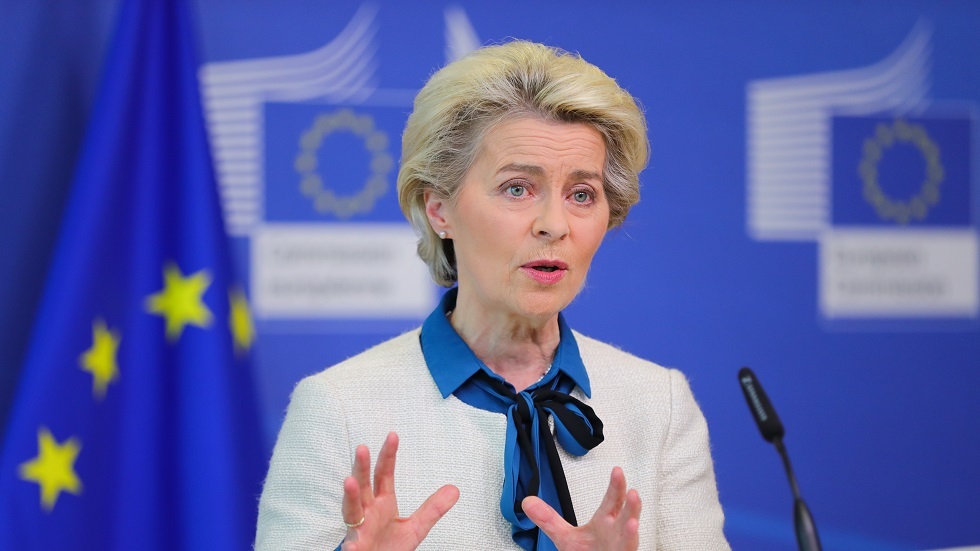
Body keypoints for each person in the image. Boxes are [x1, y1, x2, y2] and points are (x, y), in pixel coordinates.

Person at [255, 40, 729, 550]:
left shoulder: (659, 404)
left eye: (581, 194)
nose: (554, 224)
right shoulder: (338, 407)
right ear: (439, 209)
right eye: (517, 188)